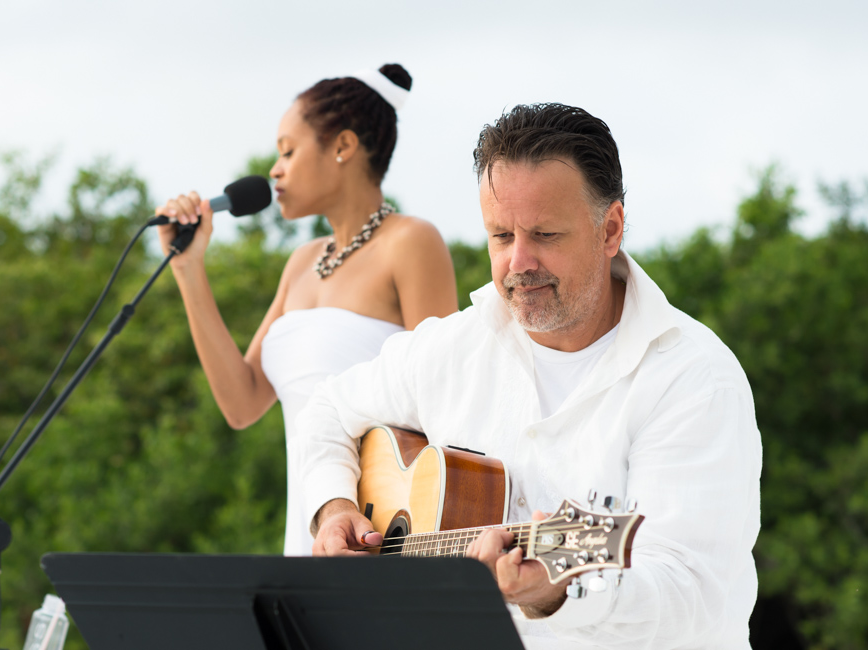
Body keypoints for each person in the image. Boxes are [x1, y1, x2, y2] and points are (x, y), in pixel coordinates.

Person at [295, 103, 762, 648]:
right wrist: (334, 508)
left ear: (610, 229)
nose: (518, 262)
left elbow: (689, 592)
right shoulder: (453, 346)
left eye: (543, 234)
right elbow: (324, 412)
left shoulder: (694, 379)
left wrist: (557, 596)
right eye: (500, 236)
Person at [155, 64, 459, 556]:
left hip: (382, 533)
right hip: (308, 528)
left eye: (288, 151)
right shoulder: (300, 264)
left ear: (342, 147)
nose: (274, 170)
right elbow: (241, 402)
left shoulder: (411, 242)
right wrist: (188, 269)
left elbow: (446, 406)